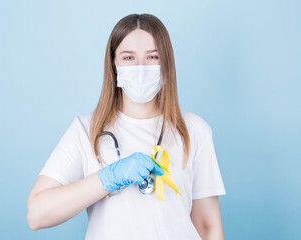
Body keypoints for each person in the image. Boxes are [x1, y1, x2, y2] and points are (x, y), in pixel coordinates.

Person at [26, 13, 227, 240]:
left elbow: (208, 226)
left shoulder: (193, 130)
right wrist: (108, 178)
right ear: (113, 64)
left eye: (153, 57)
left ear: (166, 63)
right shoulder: (86, 130)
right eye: (128, 58)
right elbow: (36, 214)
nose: (141, 68)